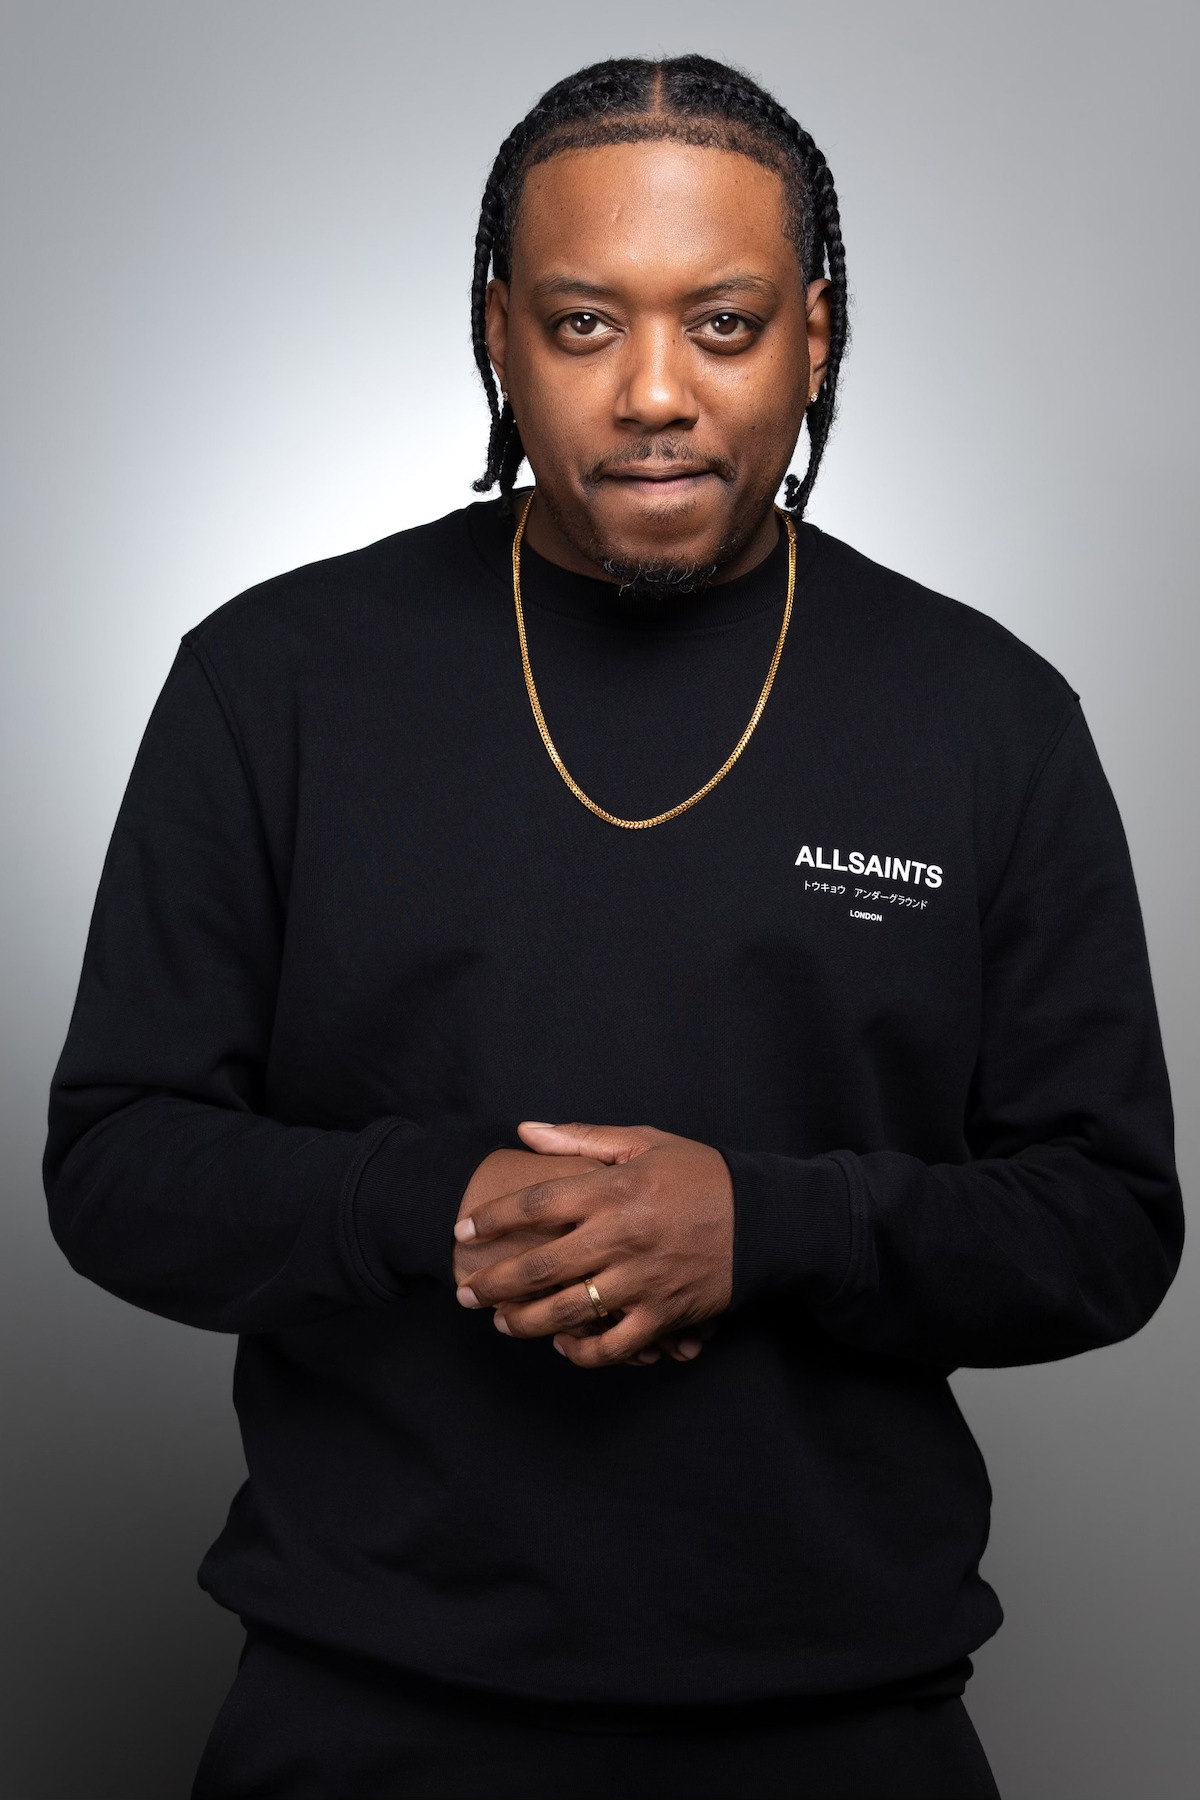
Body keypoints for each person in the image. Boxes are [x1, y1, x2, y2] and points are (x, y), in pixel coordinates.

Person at [44, 52, 1182, 1800]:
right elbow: (114, 1163)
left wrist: (772, 1231)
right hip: (362, 1715)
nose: (656, 393)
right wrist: (441, 1204)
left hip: (840, 1727)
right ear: (496, 334)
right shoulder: (272, 682)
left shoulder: (987, 715)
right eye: (585, 326)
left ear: (818, 332)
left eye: (723, 324)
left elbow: (1108, 1222)